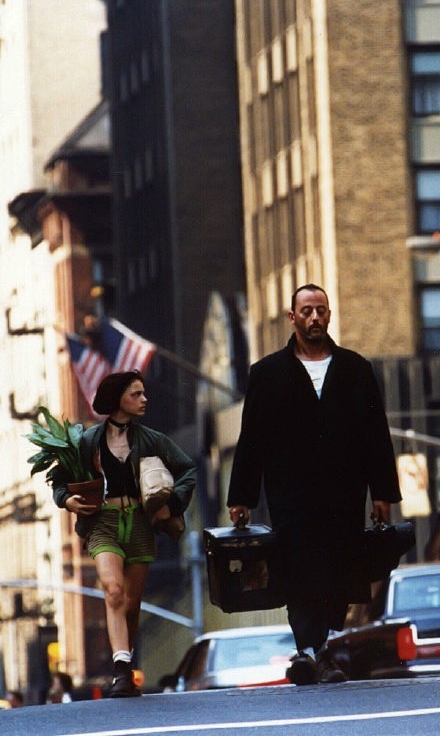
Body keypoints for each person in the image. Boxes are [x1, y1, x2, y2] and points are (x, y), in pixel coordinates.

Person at [227, 284, 401, 686]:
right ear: (293, 317)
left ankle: (307, 652)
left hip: (344, 492)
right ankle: (317, 653)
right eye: (307, 311)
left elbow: (376, 434)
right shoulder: (267, 373)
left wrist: (383, 492)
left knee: (338, 570)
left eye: (321, 310)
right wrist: (241, 496)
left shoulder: (355, 368)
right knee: (300, 568)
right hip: (291, 494)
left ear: (329, 314)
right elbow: (251, 438)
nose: (315, 317)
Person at [52, 370, 196, 697]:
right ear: (118, 399)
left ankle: (126, 669)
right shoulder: (88, 440)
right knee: (113, 590)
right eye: (136, 394)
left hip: (140, 524)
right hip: (102, 523)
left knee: (131, 604)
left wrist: (172, 504)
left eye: (143, 393)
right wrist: (66, 500)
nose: (144, 399)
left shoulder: (151, 439)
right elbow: (60, 480)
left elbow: (187, 467)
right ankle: (120, 670)